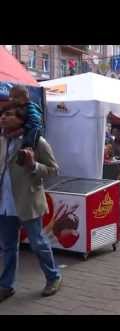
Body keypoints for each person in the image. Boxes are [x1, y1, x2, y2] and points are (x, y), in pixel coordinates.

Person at [0, 109, 62, 302]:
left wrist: (33, 165)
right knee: (8, 247)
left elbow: (53, 170)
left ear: (21, 120)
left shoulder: (36, 142)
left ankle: (54, 277)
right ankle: (6, 285)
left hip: (28, 202)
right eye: (1, 114)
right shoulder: (2, 140)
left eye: (9, 114)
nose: (3, 117)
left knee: (38, 243)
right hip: (5, 203)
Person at [4, 85, 44, 164]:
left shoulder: (30, 107)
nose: (12, 100)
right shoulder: (19, 107)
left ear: (25, 97)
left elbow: (35, 122)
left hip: (33, 130)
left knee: (31, 136)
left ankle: (26, 152)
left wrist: (23, 129)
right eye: (11, 97)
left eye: (15, 97)